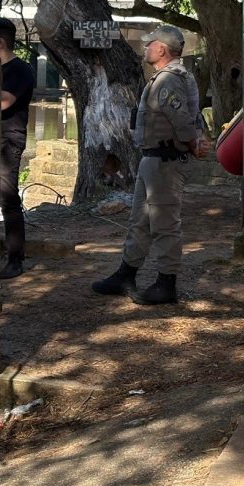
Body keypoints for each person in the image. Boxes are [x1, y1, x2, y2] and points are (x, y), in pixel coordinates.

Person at [92, 25, 209, 305]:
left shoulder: (168, 81)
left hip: (164, 162)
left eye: (149, 44)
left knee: (165, 223)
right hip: (153, 160)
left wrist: (193, 142)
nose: (145, 48)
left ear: (162, 49)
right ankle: (126, 274)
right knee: (140, 221)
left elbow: (182, 121)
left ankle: (166, 283)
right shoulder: (163, 79)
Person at [0, 17, 35, 279]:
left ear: (0, 42)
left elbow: (1, 102)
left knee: (7, 197)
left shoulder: (20, 71)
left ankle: (15, 258)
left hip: (8, 140)